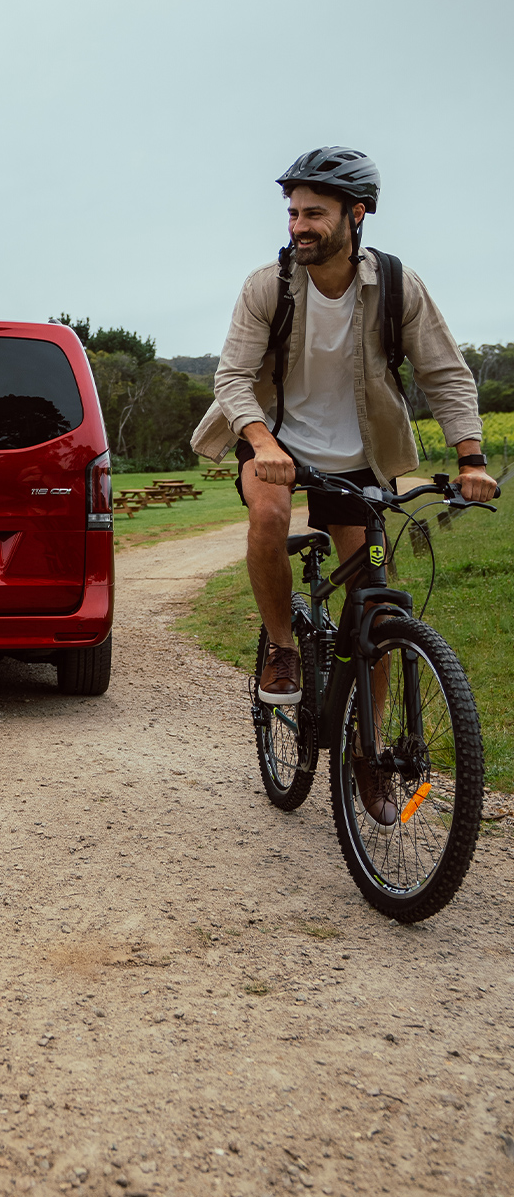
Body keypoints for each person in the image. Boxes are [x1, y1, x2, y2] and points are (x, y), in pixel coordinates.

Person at [192, 147, 496, 823]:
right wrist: (264, 443)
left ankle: (369, 749)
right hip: (275, 441)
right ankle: (280, 644)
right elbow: (233, 378)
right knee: (268, 517)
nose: (299, 225)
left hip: (359, 456)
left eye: (315, 213)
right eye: (293, 212)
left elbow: (444, 372)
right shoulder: (265, 285)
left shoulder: (395, 285)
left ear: (356, 216)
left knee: (377, 611)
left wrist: (471, 458)